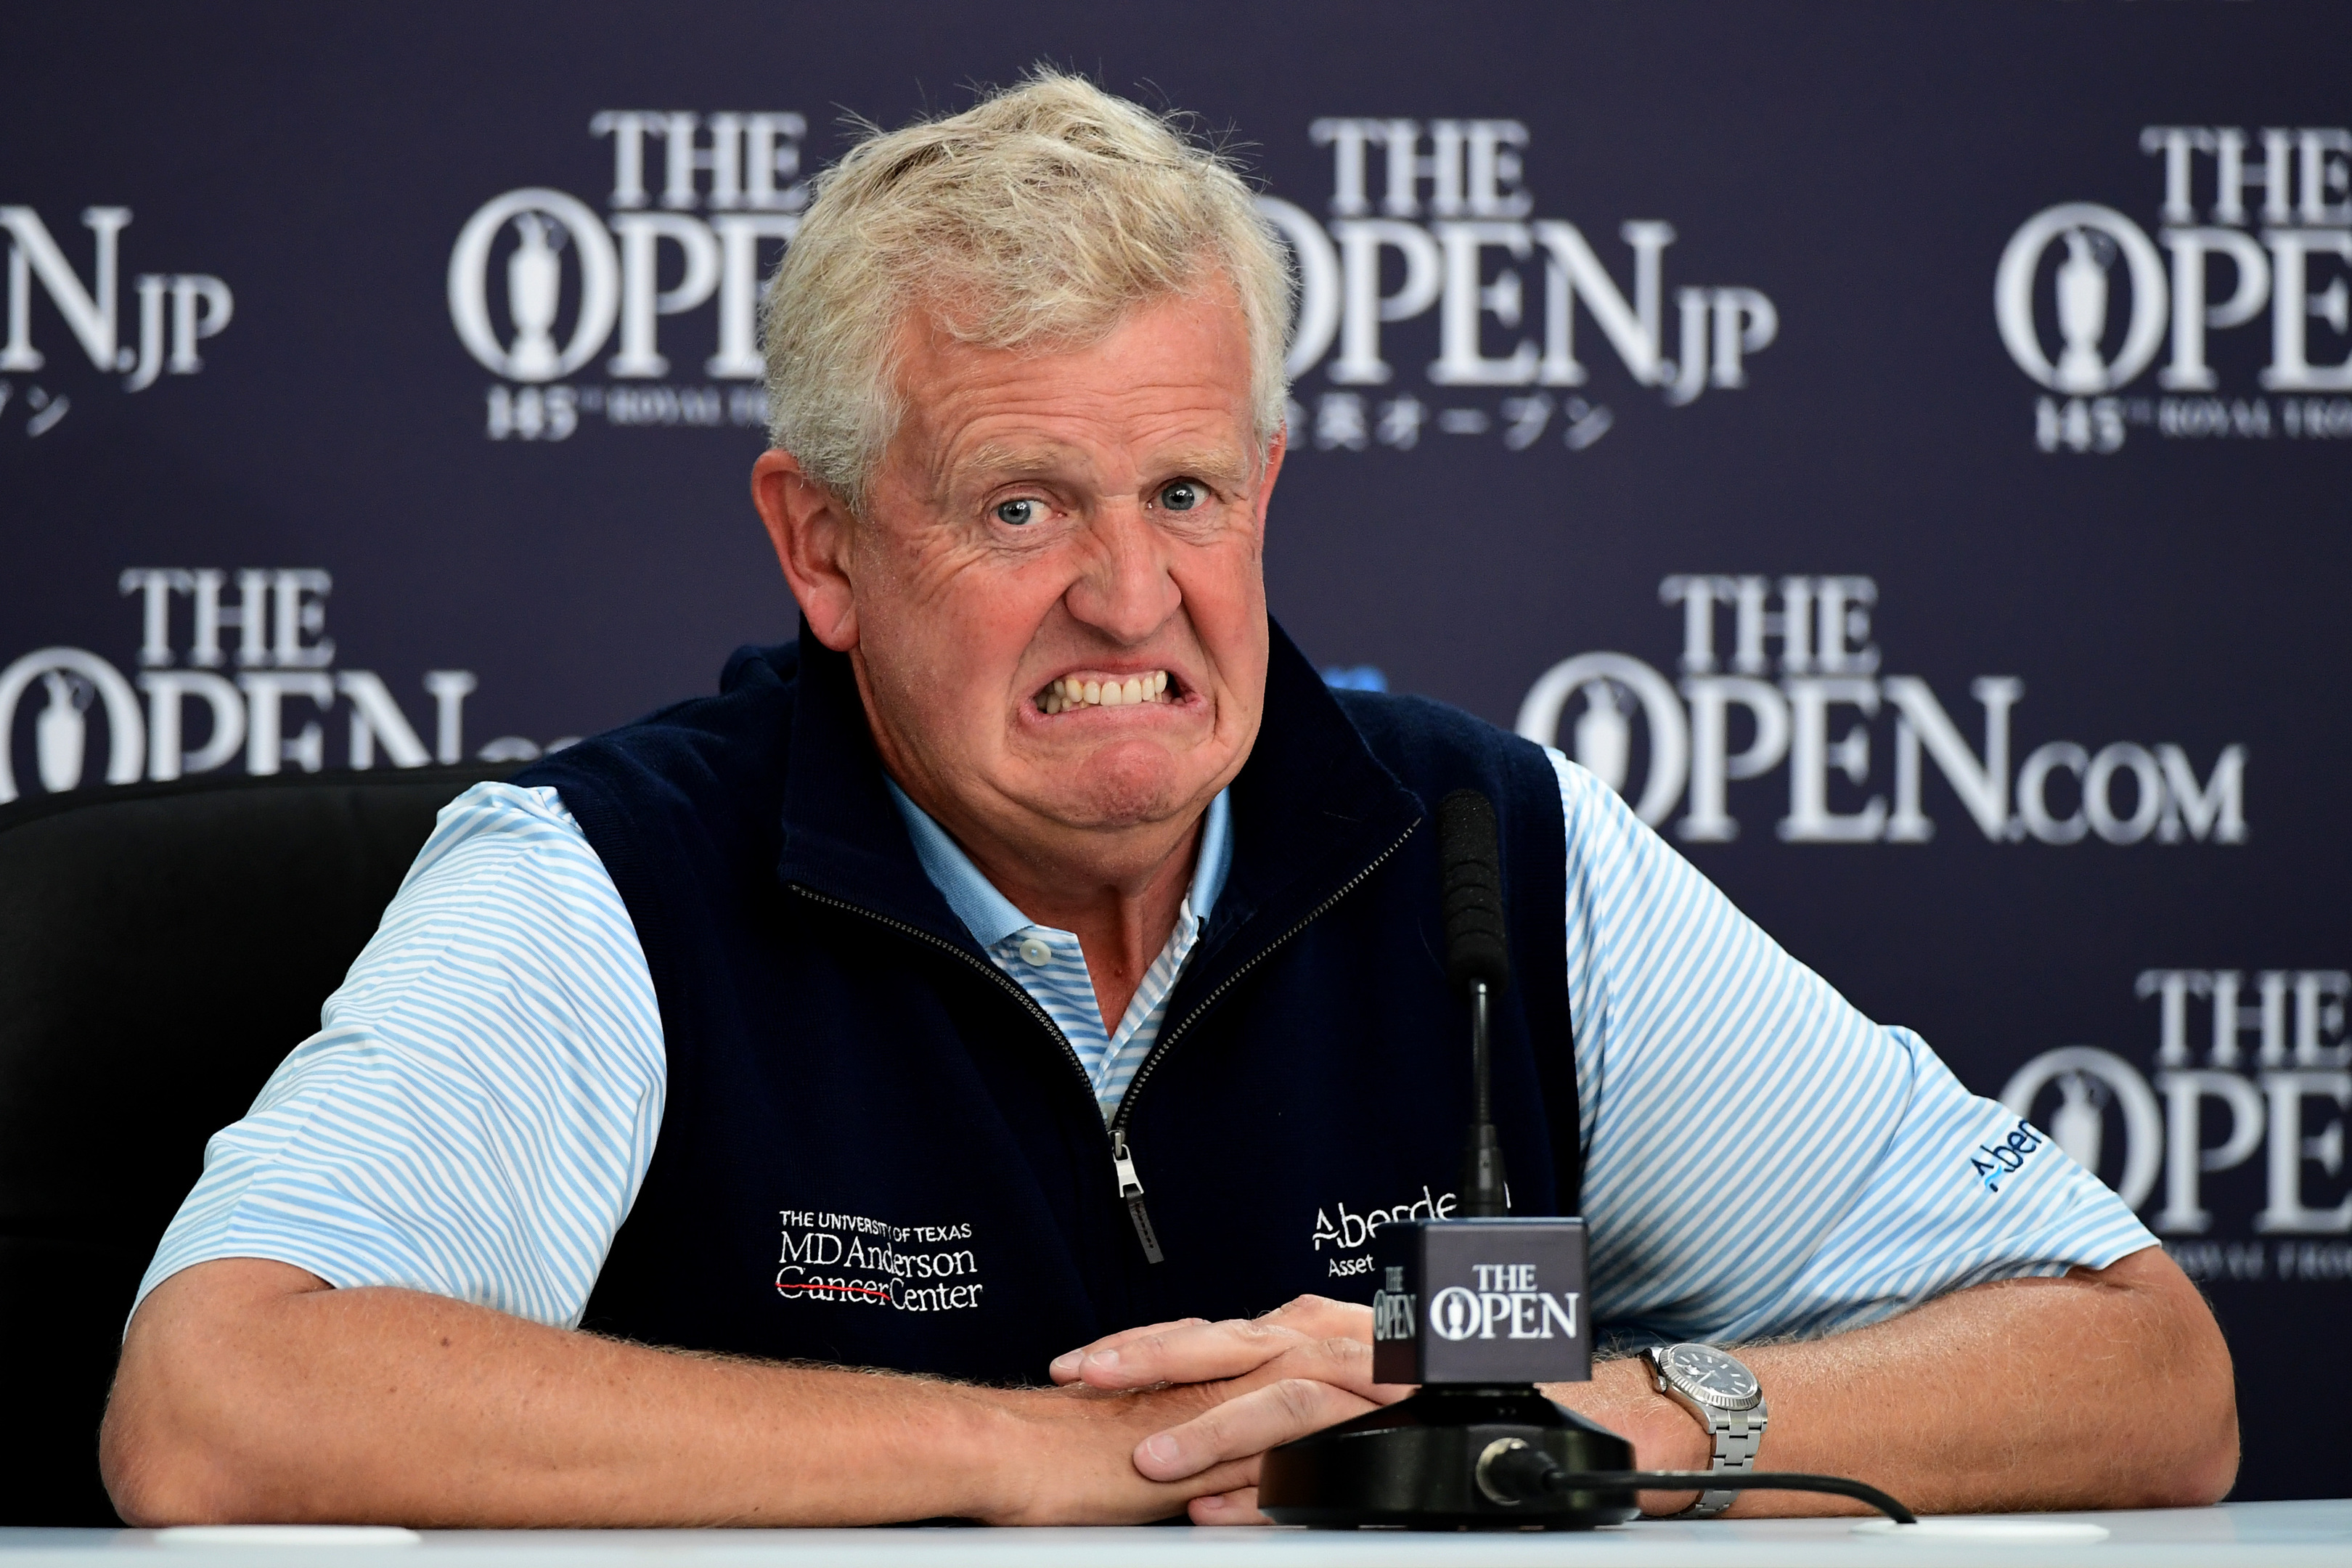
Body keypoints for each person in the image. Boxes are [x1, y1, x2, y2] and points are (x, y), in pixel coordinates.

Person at [101, 73, 2236, 1528]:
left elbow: (2146, 1371)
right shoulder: (611, 882)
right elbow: (217, 1406)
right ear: (820, 544)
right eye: (1019, 502)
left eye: (1187, 492)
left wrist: (1616, 1418)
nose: (1130, 598)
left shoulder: (1489, 853)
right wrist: (1017, 1456)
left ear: (1268, 492)